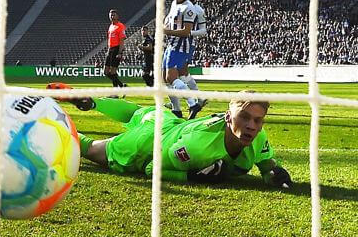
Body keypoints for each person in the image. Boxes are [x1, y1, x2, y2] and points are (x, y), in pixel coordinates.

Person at [49, 84, 292, 188]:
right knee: (90, 149)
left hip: (167, 119)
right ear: (228, 117)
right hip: (148, 143)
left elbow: (266, 165)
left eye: (258, 120)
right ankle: (46, 125)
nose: (251, 126)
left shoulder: (258, 135)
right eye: (244, 117)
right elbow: (152, 168)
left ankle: (91, 102)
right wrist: (191, 176)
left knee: (137, 112)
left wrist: (273, 173)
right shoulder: (197, 148)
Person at [162, 0, 198, 118]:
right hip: (171, 44)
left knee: (171, 77)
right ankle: (177, 110)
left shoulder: (188, 7)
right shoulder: (174, 4)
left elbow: (186, 31)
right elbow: (169, 20)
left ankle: (193, 104)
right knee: (164, 78)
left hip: (181, 46)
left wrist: (167, 31)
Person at [181, 0, 208, 119]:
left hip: (187, 43)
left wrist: (189, 33)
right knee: (181, 74)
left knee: (178, 73)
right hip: (176, 43)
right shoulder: (180, 7)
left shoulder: (199, 10)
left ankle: (190, 103)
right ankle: (198, 98)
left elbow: (203, 31)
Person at [104, 8, 127, 88]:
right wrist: (108, 50)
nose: (112, 16)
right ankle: (121, 85)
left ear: (118, 16)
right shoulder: (111, 26)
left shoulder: (120, 26)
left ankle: (115, 91)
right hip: (110, 49)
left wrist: (120, 53)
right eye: (111, 15)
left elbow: (121, 40)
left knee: (113, 72)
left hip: (116, 49)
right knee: (106, 72)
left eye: (114, 14)